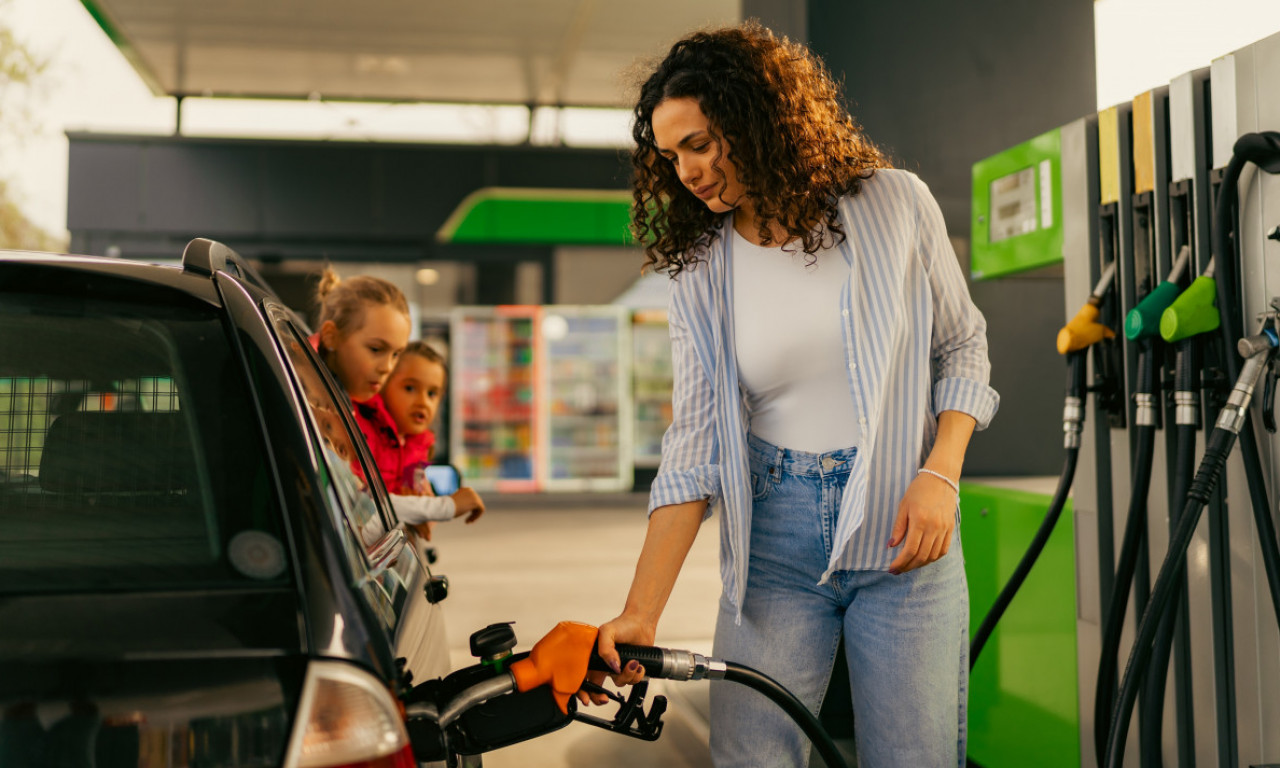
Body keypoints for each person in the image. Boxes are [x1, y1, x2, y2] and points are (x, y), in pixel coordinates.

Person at [586, 22, 999, 768]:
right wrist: (640, 611)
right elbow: (695, 446)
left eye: (701, 143)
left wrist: (941, 474)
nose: (686, 170)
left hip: (904, 533)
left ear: (760, 119)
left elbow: (961, 344)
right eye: (669, 154)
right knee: (752, 760)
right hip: (774, 541)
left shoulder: (893, 205)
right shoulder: (701, 272)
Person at [312, 268, 484, 529]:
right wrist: (443, 507)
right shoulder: (316, 407)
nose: (387, 367)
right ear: (331, 336)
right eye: (376, 349)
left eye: (395, 354)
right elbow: (357, 512)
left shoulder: (345, 405)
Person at [373, 341, 484, 533]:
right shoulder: (367, 435)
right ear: (382, 384)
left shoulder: (417, 448)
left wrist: (424, 505)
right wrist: (444, 507)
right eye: (410, 388)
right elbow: (364, 508)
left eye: (432, 393)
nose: (423, 402)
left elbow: (424, 520)